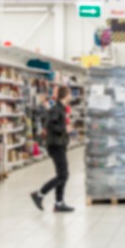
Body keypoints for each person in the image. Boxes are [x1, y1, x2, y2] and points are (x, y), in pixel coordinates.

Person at [31, 85, 75, 213]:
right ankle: (39, 195)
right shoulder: (56, 109)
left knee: (62, 175)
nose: (71, 96)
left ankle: (59, 203)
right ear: (65, 95)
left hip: (59, 144)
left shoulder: (61, 109)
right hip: (55, 145)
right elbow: (50, 125)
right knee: (63, 175)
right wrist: (64, 129)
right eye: (70, 93)